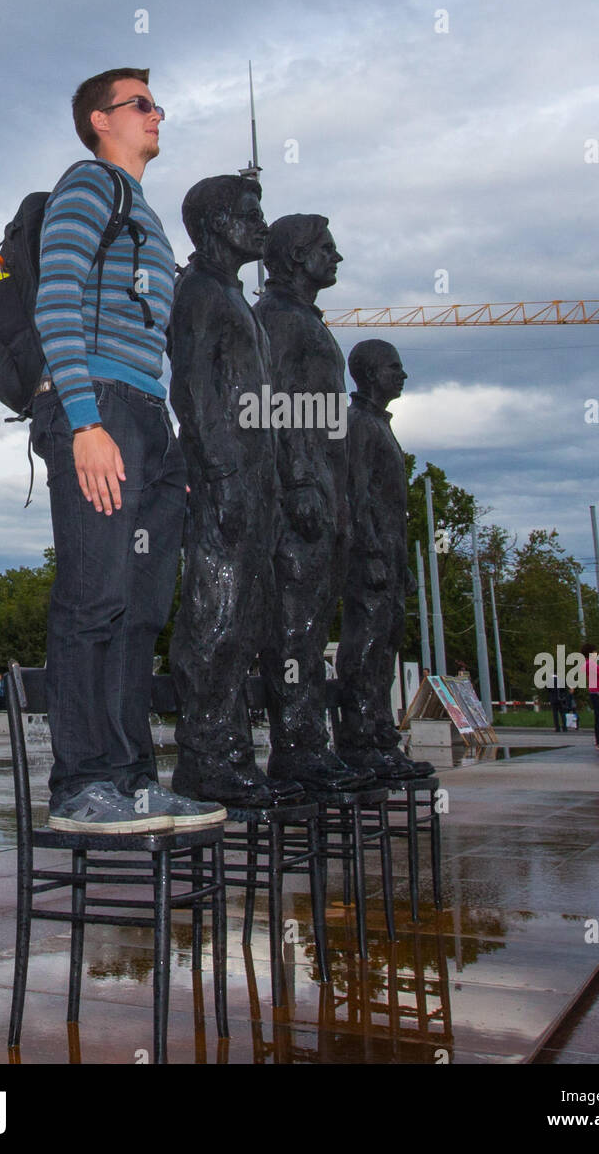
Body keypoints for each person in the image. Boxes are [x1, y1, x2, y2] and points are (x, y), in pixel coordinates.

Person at [30, 67, 224, 833]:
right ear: (99, 120)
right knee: (94, 598)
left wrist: (167, 456)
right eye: (141, 104)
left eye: (156, 103)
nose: (157, 114)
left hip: (145, 417)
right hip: (97, 408)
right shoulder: (88, 186)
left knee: (141, 610)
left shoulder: (143, 214)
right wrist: (84, 422)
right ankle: (81, 786)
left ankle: (134, 782)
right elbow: (54, 300)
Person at [168, 175, 300, 807]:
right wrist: (221, 475)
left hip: (254, 481)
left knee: (243, 621)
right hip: (228, 482)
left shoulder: (232, 297)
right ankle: (205, 760)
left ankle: (230, 753)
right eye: (252, 214)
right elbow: (190, 391)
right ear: (217, 223)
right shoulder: (198, 293)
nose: (262, 224)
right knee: (214, 619)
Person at [254, 215, 369, 793]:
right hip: (299, 491)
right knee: (293, 627)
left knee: (310, 622)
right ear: (298, 256)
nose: (337, 257)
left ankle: (310, 742)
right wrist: (299, 481)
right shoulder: (278, 319)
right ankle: (297, 748)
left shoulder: (303, 319)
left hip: (323, 486)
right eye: (327, 248)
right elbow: (273, 404)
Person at [334, 340, 433, 779]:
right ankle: (359, 741)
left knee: (385, 647)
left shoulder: (378, 424)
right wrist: (369, 553)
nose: (403, 375)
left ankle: (381, 736)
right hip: (369, 559)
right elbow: (353, 494)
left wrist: (400, 563)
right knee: (366, 648)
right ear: (372, 374)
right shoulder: (358, 424)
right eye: (395, 367)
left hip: (388, 558)